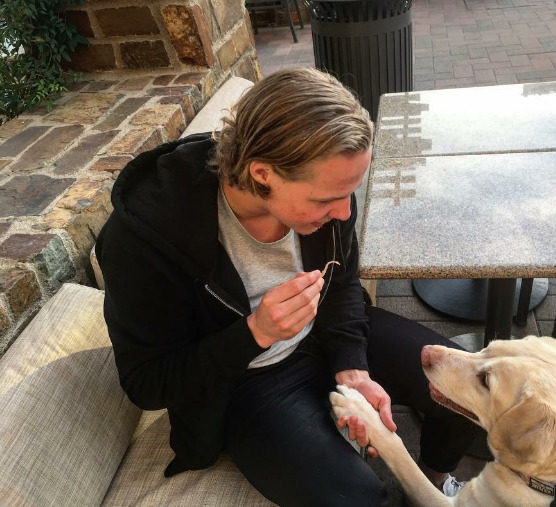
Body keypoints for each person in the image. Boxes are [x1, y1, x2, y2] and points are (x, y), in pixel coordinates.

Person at [96, 67, 483, 507]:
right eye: (324, 200)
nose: (341, 213)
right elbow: (148, 384)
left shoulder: (329, 192)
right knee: (356, 498)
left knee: (463, 388)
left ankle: (433, 489)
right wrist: (254, 333)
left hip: (327, 335)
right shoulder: (143, 240)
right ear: (262, 173)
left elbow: (341, 289)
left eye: (350, 192)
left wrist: (351, 365)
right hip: (247, 383)